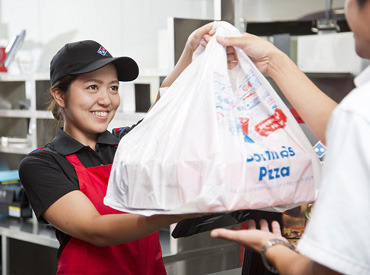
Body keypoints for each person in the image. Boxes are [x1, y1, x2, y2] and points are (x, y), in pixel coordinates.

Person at [19, 23, 215, 274]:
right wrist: (182, 210)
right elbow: (95, 229)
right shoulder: (43, 164)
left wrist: (190, 51)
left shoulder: (127, 144)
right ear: (59, 95)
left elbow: (167, 105)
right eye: (92, 87)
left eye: (113, 87)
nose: (106, 99)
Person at [210, 0, 370, 274]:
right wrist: (273, 60)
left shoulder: (359, 113)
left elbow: (318, 272)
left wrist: (271, 246)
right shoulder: (358, 115)